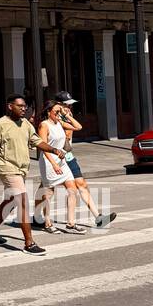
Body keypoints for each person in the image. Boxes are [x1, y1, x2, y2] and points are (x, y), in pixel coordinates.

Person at [0, 93, 61, 256]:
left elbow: (37, 141)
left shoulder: (25, 123)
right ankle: (29, 243)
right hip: (7, 168)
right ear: (10, 106)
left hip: (21, 170)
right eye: (20, 106)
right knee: (22, 201)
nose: (23, 109)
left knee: (10, 201)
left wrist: (54, 149)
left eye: (25, 106)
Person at [48, 92, 117, 230]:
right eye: (66, 104)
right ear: (58, 104)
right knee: (49, 189)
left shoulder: (68, 116)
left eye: (70, 105)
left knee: (81, 185)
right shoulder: (52, 118)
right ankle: (40, 217)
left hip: (68, 156)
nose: (69, 107)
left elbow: (76, 129)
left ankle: (98, 218)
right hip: (56, 157)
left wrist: (67, 116)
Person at [33, 100, 89, 234]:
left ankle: (71, 223)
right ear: (48, 112)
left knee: (72, 189)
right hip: (49, 161)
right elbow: (43, 147)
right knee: (49, 193)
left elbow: (78, 127)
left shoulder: (59, 123)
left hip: (62, 161)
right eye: (56, 111)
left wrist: (66, 115)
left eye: (60, 111)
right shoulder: (44, 125)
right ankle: (47, 223)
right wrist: (53, 164)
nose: (59, 114)